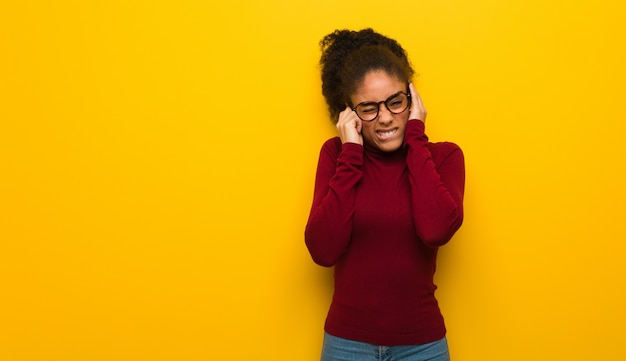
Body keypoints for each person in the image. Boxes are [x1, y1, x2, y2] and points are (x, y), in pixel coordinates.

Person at [304, 28, 465, 361]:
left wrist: (416, 136)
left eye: (395, 102)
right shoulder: (337, 156)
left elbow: (435, 229)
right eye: (369, 108)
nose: (387, 117)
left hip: (423, 344)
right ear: (349, 114)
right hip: (347, 343)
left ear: (412, 99)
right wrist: (351, 152)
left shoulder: (444, 157)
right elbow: (322, 249)